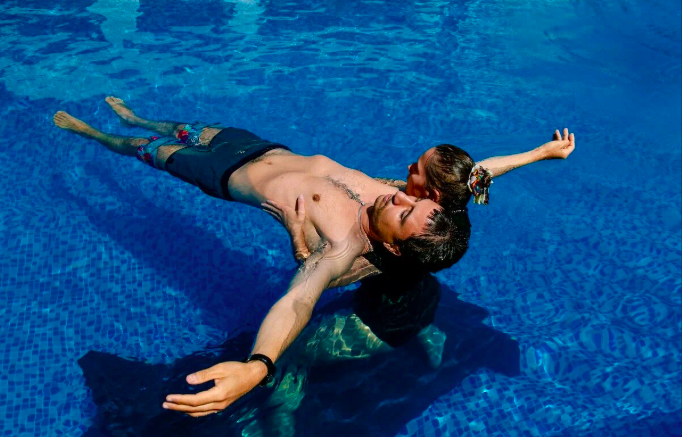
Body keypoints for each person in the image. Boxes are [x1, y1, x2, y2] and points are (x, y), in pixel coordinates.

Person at [52, 97, 470, 417]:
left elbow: (298, 301)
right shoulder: (397, 197)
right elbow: (471, 178)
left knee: (146, 149)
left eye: (405, 212)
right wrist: (504, 167)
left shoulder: (340, 249)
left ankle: (97, 135)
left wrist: (258, 365)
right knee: (180, 129)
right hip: (260, 147)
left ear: (394, 246)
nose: (400, 197)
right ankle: (136, 117)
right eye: (415, 201)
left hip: (223, 174)